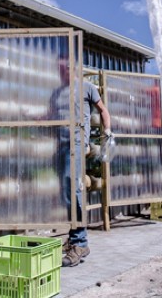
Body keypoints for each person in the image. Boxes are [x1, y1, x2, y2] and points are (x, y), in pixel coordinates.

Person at [52, 59, 112, 268]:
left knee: (73, 189)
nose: (61, 72)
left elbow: (103, 110)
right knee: (65, 193)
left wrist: (107, 130)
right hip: (59, 146)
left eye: (64, 68)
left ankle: (80, 242)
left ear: (73, 69)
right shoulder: (57, 93)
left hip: (76, 145)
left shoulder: (87, 88)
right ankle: (75, 236)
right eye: (59, 69)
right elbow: (51, 116)